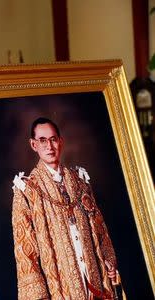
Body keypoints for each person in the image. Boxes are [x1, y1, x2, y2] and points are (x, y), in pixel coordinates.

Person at [12, 117, 123, 299]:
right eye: (42, 140)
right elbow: (25, 251)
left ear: (60, 142)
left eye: (53, 139)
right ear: (33, 144)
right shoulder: (26, 191)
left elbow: (100, 229)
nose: (49, 146)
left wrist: (109, 263)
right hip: (60, 287)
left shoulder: (80, 182)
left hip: (94, 281)